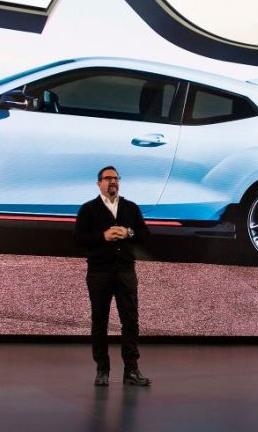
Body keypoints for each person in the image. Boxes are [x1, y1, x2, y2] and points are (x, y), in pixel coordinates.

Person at [74, 165, 152, 387]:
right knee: (100, 321)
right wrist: (103, 236)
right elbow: (78, 238)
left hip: (126, 272)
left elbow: (145, 236)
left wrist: (130, 232)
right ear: (99, 183)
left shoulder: (131, 208)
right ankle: (102, 370)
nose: (112, 182)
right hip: (99, 272)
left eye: (115, 178)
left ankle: (131, 370)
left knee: (130, 321)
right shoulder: (88, 209)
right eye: (107, 178)